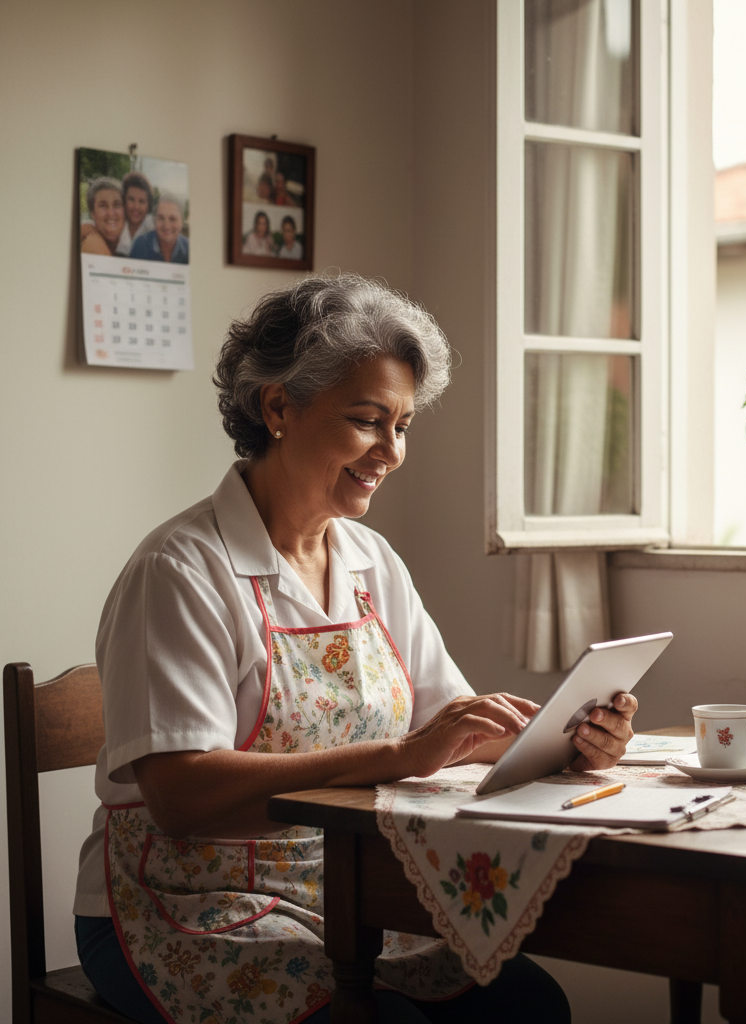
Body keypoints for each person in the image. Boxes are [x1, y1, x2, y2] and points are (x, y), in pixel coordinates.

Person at [73, 273, 637, 1024]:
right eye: (369, 420)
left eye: (402, 425)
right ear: (278, 407)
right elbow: (180, 797)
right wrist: (396, 756)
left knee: (532, 1006)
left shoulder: (371, 560)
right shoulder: (180, 570)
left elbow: (452, 731)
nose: (391, 451)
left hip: (343, 891)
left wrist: (568, 741)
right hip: (183, 904)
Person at [129, 193, 189, 263]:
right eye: (161, 218)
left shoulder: (190, 249)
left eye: (172, 219)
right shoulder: (140, 245)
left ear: (181, 222)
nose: (166, 226)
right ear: (154, 221)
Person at [80, 177, 125, 256]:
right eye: (103, 205)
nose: (110, 213)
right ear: (92, 213)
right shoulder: (92, 243)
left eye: (117, 205)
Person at [116, 172, 155, 256]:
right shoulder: (117, 220)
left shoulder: (151, 225)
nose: (136, 207)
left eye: (142, 201)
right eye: (131, 199)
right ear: (123, 200)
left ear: (148, 205)